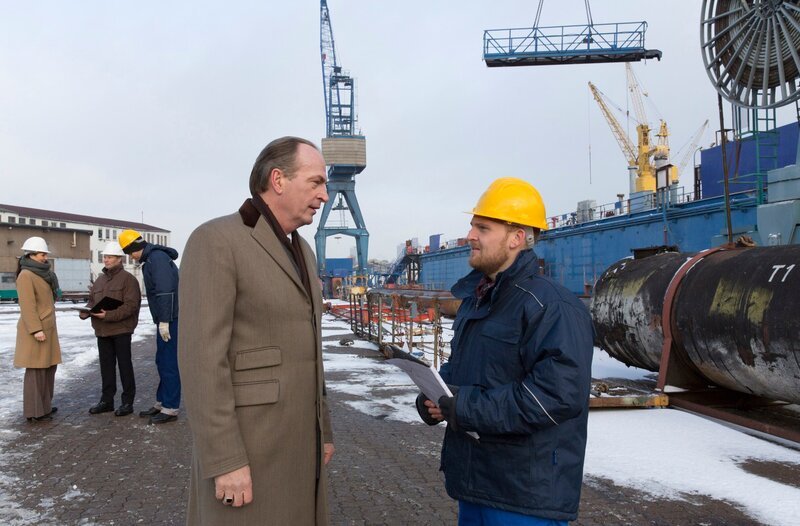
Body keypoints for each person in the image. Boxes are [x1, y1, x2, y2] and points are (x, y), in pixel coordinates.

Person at [416, 177, 594, 525]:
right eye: (472, 226)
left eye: (482, 227)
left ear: (517, 237)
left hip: (524, 497)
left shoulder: (551, 306)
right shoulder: (479, 299)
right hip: (476, 484)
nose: (470, 236)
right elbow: (464, 370)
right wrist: (433, 397)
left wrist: (461, 406)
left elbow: (554, 396)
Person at [178, 136, 335, 525]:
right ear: (278, 179)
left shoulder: (303, 250)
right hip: (251, 447)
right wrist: (225, 460)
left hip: (299, 442)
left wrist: (324, 429)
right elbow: (201, 361)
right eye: (315, 182)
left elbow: (309, 350)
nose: (325, 195)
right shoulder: (217, 241)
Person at [118, 228, 180, 424]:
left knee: (169, 361)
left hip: (171, 318)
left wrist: (164, 320)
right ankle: (162, 402)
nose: (131, 257)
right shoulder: (152, 259)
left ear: (133, 248)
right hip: (166, 318)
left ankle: (170, 408)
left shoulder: (157, 259)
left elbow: (165, 291)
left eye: (129, 253)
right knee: (162, 360)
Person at [81, 241, 142, 417]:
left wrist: (108, 315)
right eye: (104, 257)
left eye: (109, 257)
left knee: (124, 366)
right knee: (106, 367)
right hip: (102, 330)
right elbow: (92, 302)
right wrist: (86, 311)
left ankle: (127, 402)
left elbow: (131, 306)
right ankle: (107, 401)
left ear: (119, 259)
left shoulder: (128, 280)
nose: (106, 260)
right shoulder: (99, 280)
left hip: (121, 330)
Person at [14, 236, 61, 423]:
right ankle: (34, 411)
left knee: (49, 369)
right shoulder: (26, 275)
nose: (45, 258)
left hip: (48, 328)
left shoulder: (43, 274)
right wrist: (35, 329)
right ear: (31, 255)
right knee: (36, 372)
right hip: (37, 330)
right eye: (42, 254)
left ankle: (45, 406)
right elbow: (27, 306)